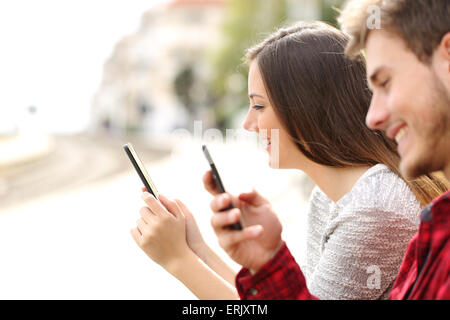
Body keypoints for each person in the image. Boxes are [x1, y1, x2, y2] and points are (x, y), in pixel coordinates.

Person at [130, 21, 449, 300]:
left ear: (304, 107)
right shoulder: (328, 195)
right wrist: (196, 247)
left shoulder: (374, 208)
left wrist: (178, 262)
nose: (247, 125)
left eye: (258, 107)